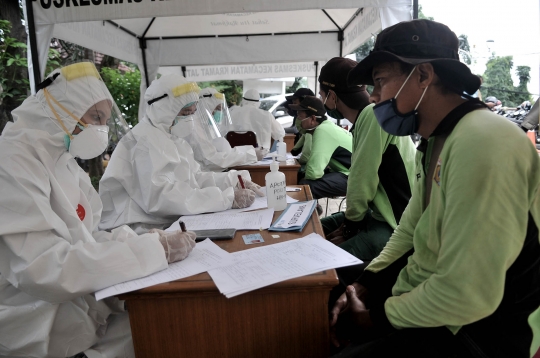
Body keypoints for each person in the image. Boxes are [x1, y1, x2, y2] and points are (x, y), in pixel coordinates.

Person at [329, 19, 540, 357]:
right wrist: (366, 283)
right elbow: (411, 229)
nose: (374, 96)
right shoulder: (439, 140)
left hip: (483, 332)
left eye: (381, 81)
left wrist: (378, 319)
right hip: (440, 305)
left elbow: (468, 293)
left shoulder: (484, 142)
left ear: (424, 75)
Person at [0, 62, 197, 358]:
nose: (101, 129)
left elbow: (90, 238)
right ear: (60, 108)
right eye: (95, 117)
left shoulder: (63, 162)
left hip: (75, 304)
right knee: (161, 332)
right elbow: (45, 268)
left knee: (169, 325)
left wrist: (141, 242)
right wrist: (152, 252)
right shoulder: (11, 162)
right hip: (37, 323)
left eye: (104, 120)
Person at [99, 74, 262, 234]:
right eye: (185, 113)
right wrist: (226, 199)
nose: (190, 119)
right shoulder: (143, 142)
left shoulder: (173, 138)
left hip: (167, 223)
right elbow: (162, 198)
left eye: (193, 112)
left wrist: (231, 180)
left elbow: (194, 177)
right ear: (165, 110)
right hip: (139, 231)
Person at [317, 57, 416, 261]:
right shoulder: (368, 116)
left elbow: (362, 178)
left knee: (327, 264)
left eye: (322, 95)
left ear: (332, 96)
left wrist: (350, 228)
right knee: (316, 227)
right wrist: (350, 223)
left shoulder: (373, 114)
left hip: (395, 224)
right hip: (377, 215)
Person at [176, 87, 259, 171]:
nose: (219, 113)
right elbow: (211, 160)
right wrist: (250, 155)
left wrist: (250, 150)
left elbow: (225, 152)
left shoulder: (207, 127)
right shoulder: (193, 128)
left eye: (221, 109)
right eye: (218, 109)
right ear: (206, 107)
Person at [290, 96, 353, 199]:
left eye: (300, 116)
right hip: (347, 173)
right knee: (302, 177)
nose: (298, 120)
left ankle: (310, 212)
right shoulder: (323, 127)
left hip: (355, 177)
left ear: (313, 119)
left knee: (306, 186)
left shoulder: (322, 130)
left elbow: (314, 172)